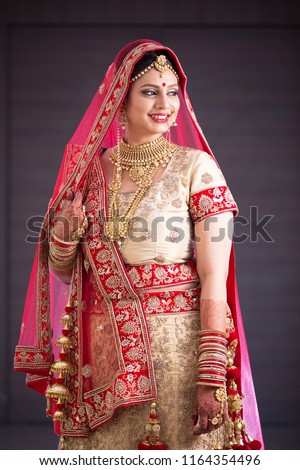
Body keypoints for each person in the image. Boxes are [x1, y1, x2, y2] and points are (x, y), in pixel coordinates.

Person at [14, 39, 263, 450]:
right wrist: (64, 237)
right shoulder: (89, 172)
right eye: (150, 91)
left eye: (172, 92)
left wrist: (211, 373)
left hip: (180, 353)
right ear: (120, 100)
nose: (164, 102)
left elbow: (214, 277)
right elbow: (68, 274)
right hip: (102, 355)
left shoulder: (196, 167)